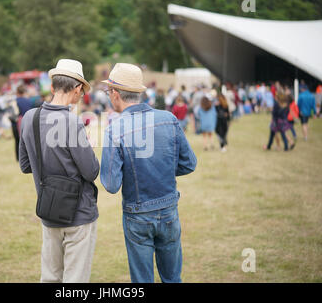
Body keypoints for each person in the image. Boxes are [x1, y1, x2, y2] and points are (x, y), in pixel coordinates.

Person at [100, 63, 197, 283]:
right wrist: (161, 171)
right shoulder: (169, 119)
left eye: (108, 92)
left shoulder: (115, 129)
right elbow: (189, 163)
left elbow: (111, 184)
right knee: (173, 279)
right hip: (169, 208)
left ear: (115, 93)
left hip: (138, 214)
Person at [19, 59, 99, 283]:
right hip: (79, 214)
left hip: (49, 210)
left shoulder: (29, 118)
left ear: (53, 87)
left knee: (50, 278)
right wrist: (88, 148)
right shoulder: (72, 123)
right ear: (77, 89)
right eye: (81, 91)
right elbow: (91, 171)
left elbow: (25, 165)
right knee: (74, 281)